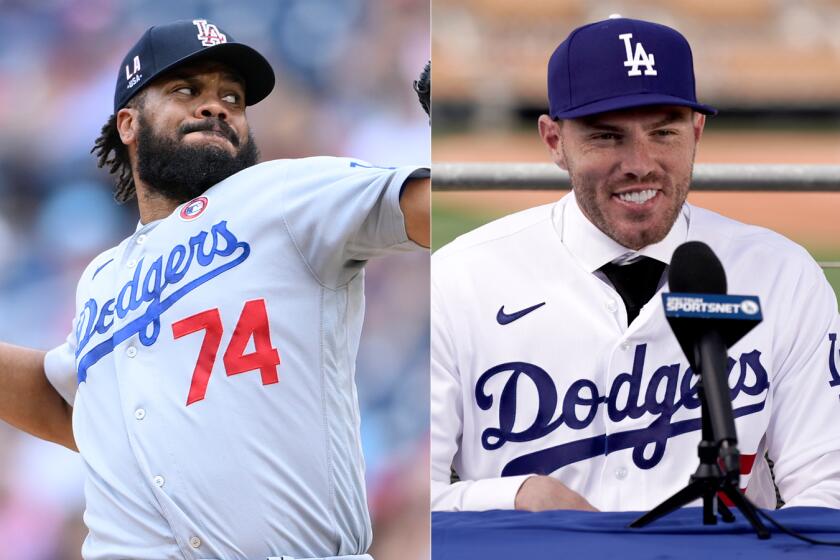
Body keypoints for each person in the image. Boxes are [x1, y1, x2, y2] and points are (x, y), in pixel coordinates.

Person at [0, 19, 429, 560]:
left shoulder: (286, 195)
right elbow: (81, 413)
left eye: (233, 96)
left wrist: (475, 140)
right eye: (186, 90)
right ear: (128, 123)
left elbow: (434, 213)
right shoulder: (100, 278)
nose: (216, 105)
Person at [431, 16, 840, 514]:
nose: (640, 163)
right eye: (606, 137)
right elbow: (407, 502)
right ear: (554, 140)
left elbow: (827, 487)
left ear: (697, 131)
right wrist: (514, 496)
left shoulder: (785, 275)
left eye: (663, 132)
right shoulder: (456, 281)